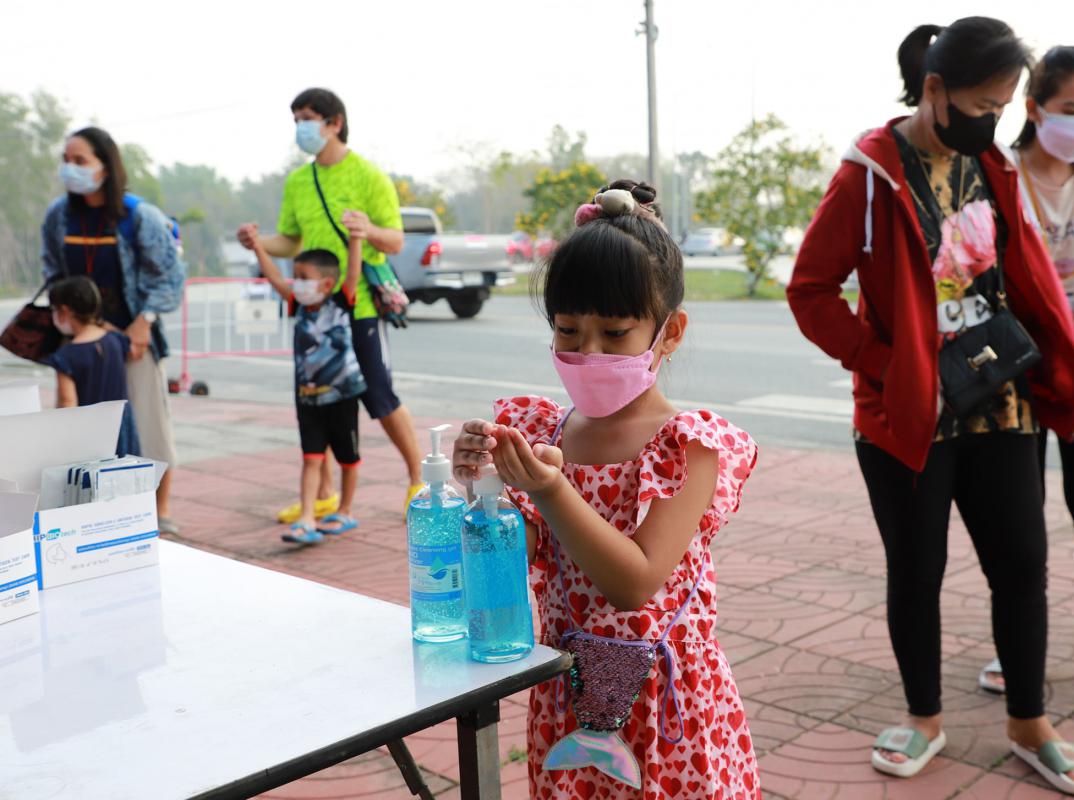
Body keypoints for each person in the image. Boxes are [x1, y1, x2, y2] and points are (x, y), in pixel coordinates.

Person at [787, 18, 1074, 795]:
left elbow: (1021, 273)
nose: (990, 121)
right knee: (916, 570)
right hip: (908, 415)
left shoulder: (991, 165)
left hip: (1001, 403)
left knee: (1021, 566)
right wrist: (885, 364)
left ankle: (1029, 723)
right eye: (979, 105)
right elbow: (810, 290)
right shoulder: (868, 173)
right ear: (933, 90)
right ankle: (923, 718)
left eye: (1001, 106)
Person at [453, 181, 761, 798]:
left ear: (669, 333)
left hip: (666, 709)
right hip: (567, 694)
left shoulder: (688, 447)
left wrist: (549, 490)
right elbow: (523, 554)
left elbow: (633, 582)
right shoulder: (546, 431)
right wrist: (485, 488)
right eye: (568, 331)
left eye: (615, 333)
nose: (588, 352)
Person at [973, 46, 1074, 711]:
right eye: (1071, 108)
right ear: (1034, 108)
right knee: (1018, 525)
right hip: (1016, 378)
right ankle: (1018, 651)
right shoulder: (997, 175)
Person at [236, 88, 423, 523]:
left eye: (307, 118)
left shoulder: (369, 175)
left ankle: (419, 480)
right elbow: (290, 241)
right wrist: (257, 242)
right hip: (313, 308)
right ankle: (322, 494)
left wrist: (367, 230)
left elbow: (395, 240)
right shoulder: (298, 181)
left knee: (379, 396)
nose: (300, 127)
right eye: (296, 119)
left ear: (334, 122)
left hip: (357, 306)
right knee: (316, 398)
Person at [41, 127, 185, 533]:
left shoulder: (138, 216)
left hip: (132, 338)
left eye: (80, 160)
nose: (70, 168)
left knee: (148, 424)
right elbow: (52, 269)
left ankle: (160, 511)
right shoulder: (59, 216)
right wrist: (75, 321)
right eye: (66, 160)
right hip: (81, 338)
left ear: (105, 166)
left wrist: (145, 321)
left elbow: (169, 276)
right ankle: (89, 510)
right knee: (80, 424)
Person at [249, 229, 366, 544]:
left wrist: (356, 239)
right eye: (295, 276)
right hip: (308, 399)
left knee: (348, 458)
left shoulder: (341, 302)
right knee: (311, 457)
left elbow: (353, 273)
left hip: (342, 397)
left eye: (303, 277)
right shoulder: (297, 306)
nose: (296, 283)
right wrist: (258, 247)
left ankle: (345, 510)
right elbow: (275, 278)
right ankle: (307, 518)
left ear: (326, 284)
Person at [45, 275, 139, 457]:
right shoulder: (115, 340)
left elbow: (67, 403)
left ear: (65, 311)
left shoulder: (66, 356)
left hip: (89, 433)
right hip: (121, 426)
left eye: (54, 310)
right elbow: (133, 348)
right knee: (124, 472)